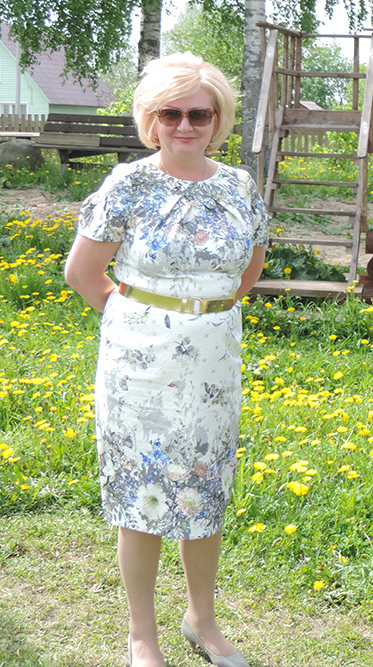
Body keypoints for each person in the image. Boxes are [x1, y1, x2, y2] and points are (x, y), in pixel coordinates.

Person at [64, 52, 268, 667]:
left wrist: (196, 317)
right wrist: (142, 322)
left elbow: (247, 271)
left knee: (203, 489)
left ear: (218, 118)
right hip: (138, 368)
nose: (185, 124)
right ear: (150, 119)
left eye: (198, 113)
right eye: (170, 113)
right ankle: (142, 637)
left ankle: (202, 621)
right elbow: (83, 273)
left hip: (212, 363)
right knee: (143, 495)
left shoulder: (239, 186)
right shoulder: (127, 183)